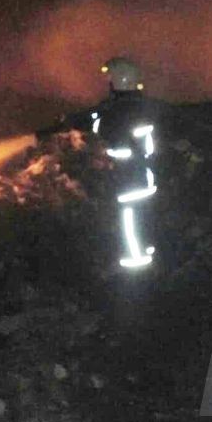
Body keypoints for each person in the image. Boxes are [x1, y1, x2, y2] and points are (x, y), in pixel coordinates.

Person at [39, 56, 159, 269]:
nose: (108, 84)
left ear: (119, 81)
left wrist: (63, 126)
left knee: (129, 221)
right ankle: (148, 253)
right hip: (142, 176)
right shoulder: (138, 107)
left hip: (127, 179)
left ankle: (137, 265)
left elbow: (98, 128)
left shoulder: (117, 112)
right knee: (141, 217)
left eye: (110, 80)